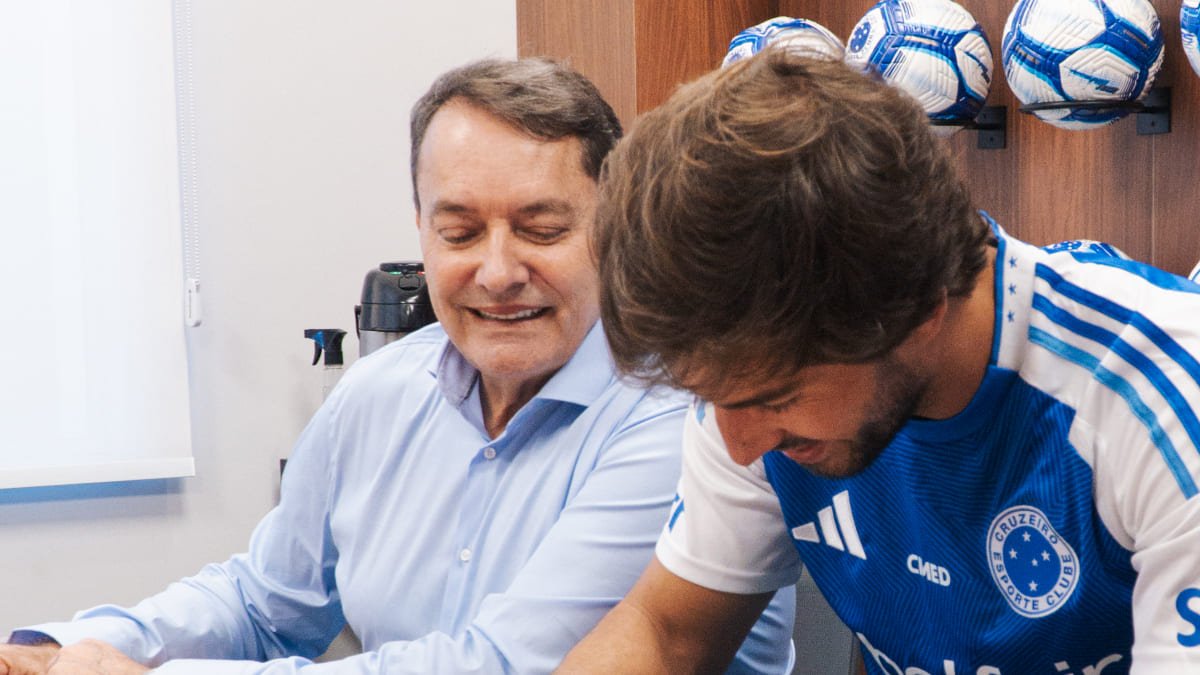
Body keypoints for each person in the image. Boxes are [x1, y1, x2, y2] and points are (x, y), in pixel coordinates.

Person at [0, 58, 795, 675]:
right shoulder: (378, 394)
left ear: (613, 225)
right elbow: (264, 599)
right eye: (458, 232)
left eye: (540, 228)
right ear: (418, 229)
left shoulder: (683, 415)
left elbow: (504, 665)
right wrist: (71, 643)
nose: (496, 270)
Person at [559, 49, 1200, 673]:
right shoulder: (751, 372)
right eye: (711, 397)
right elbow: (666, 633)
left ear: (918, 312)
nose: (740, 445)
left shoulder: (1165, 392)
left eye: (775, 397)